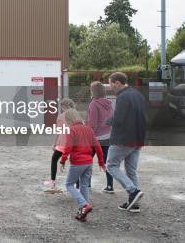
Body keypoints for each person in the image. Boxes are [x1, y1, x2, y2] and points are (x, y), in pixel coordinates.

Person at [106, 72, 146, 212]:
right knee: (131, 171)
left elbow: (119, 119)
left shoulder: (123, 96)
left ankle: (133, 191)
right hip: (138, 139)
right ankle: (133, 203)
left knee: (111, 166)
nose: (110, 87)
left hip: (123, 139)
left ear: (117, 83)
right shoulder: (138, 95)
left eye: (111, 83)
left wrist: (107, 121)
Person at [60, 109, 106, 222]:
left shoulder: (72, 130)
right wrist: (101, 162)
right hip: (89, 162)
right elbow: (98, 148)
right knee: (84, 185)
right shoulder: (89, 129)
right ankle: (83, 212)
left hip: (77, 162)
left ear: (69, 120)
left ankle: (84, 205)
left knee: (69, 185)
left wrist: (62, 160)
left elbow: (68, 146)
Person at [87, 81, 114, 193]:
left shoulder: (94, 104)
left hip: (95, 138)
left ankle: (86, 183)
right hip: (107, 136)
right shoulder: (109, 103)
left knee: (87, 160)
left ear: (93, 92)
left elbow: (92, 123)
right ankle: (110, 186)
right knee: (107, 162)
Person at [43, 98, 75, 190]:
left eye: (62, 107)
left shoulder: (61, 116)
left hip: (63, 142)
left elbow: (59, 131)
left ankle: (52, 182)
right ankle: (77, 184)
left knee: (54, 159)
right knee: (75, 162)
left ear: (64, 107)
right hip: (74, 142)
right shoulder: (76, 115)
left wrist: (55, 144)